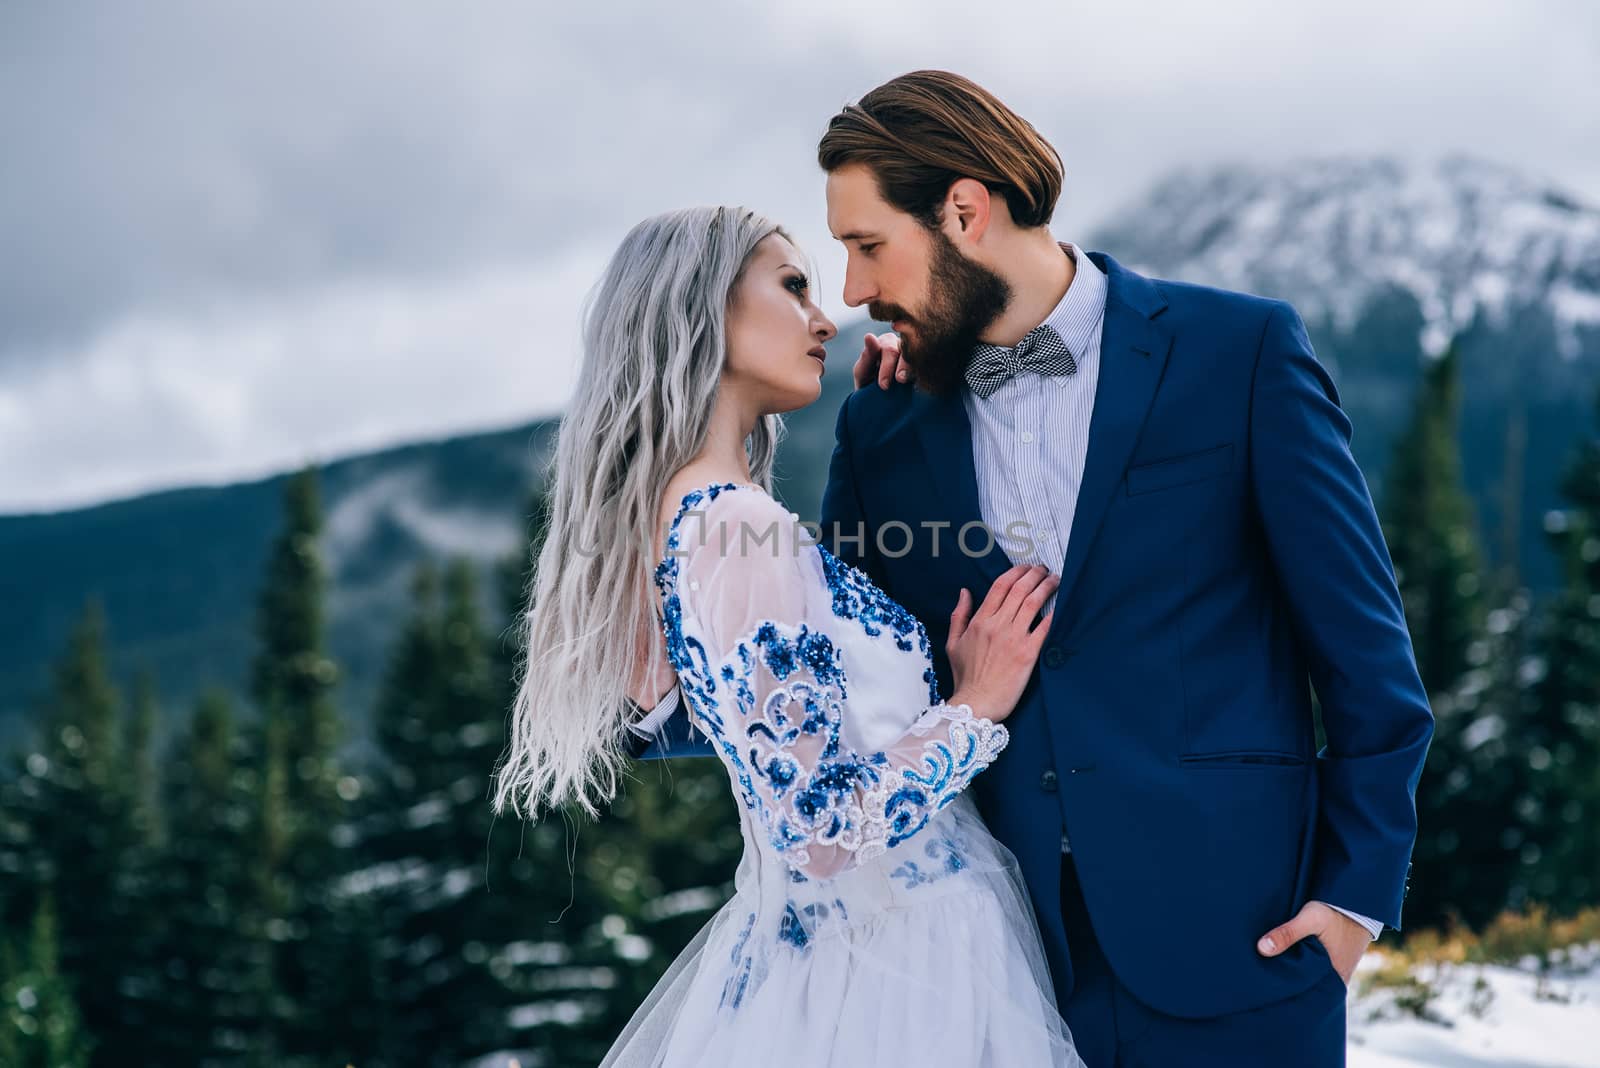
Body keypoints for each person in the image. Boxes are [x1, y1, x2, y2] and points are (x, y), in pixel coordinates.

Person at [630, 71, 1435, 1066]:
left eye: (868, 245)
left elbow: (1365, 655)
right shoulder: (883, 420)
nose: (853, 291)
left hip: (1242, 944)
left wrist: (1354, 895)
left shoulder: (1240, 352)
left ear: (963, 211)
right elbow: (822, 669)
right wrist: (651, 694)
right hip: (993, 972)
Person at [492, 204, 1086, 1066]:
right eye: (794, 285)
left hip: (831, 962)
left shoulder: (682, 518)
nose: (824, 317)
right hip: (898, 968)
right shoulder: (736, 526)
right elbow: (817, 832)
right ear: (701, 306)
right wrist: (975, 706)